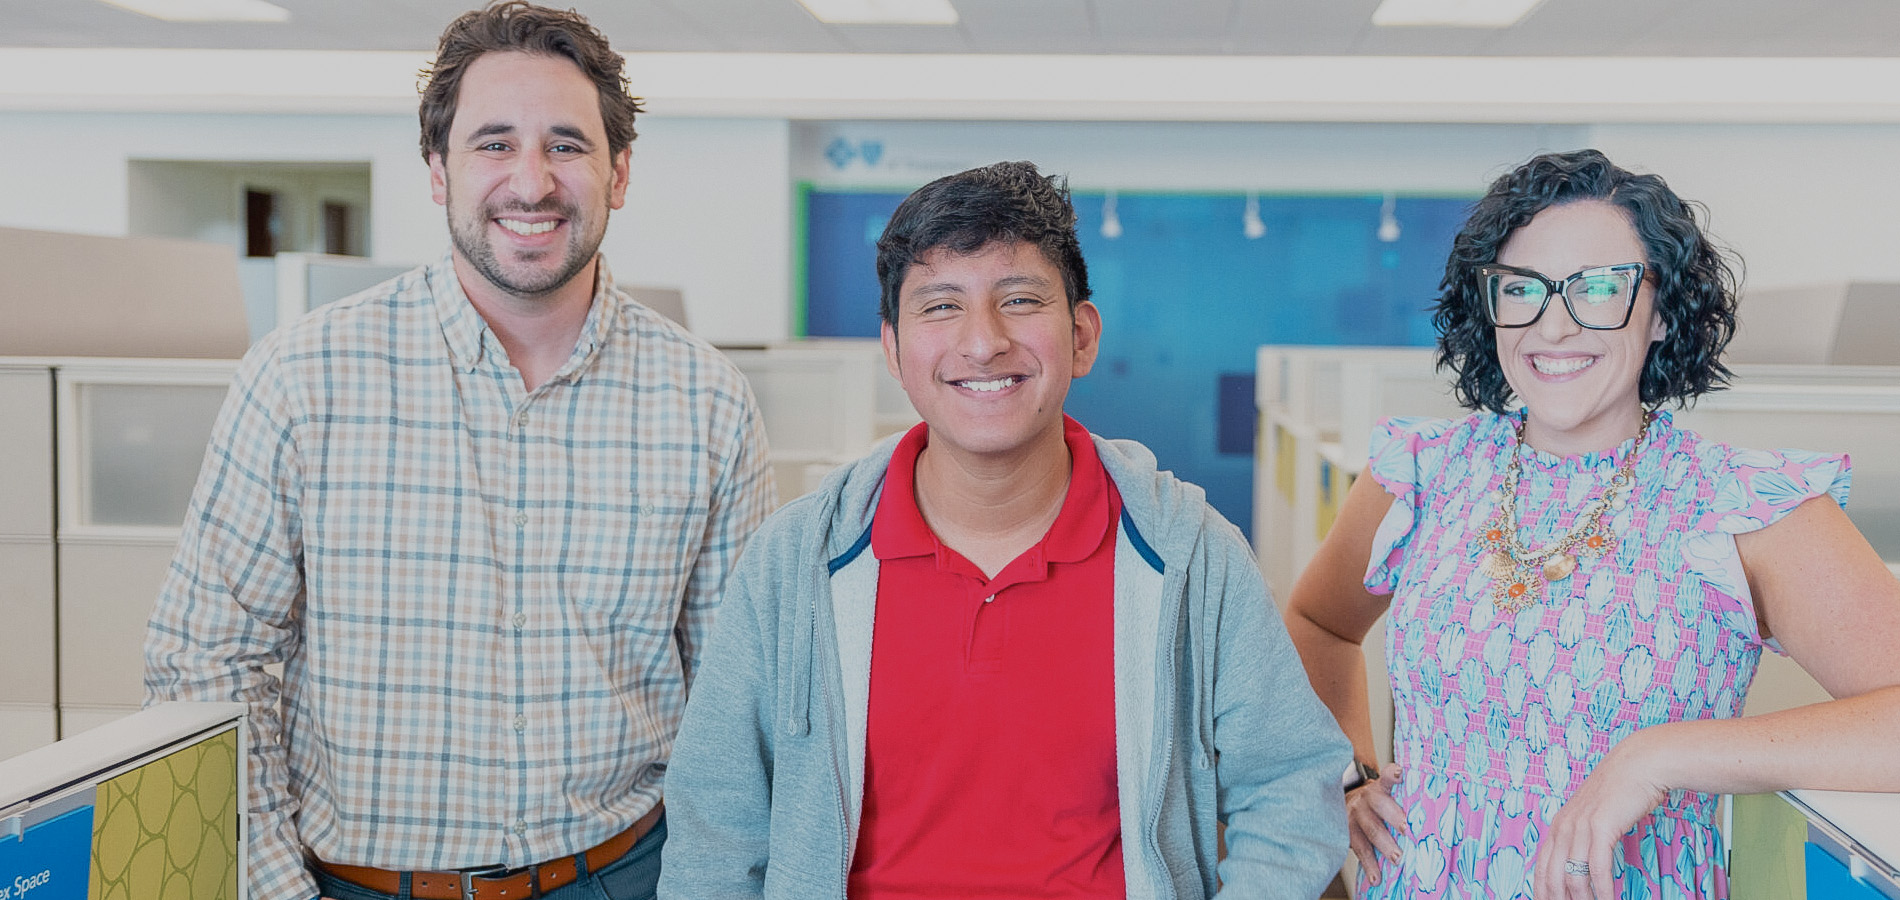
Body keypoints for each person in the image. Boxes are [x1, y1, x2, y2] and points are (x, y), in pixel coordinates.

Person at [142, 4, 776, 900]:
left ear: (619, 171)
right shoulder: (301, 378)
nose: (531, 181)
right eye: (493, 144)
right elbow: (203, 666)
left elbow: (733, 698)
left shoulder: (707, 402)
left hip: (625, 875)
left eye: (567, 144)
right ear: (437, 172)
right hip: (359, 884)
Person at [656, 161, 1351, 899]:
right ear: (892, 349)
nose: (983, 342)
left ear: (1081, 336)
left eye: (1018, 299)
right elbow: (716, 826)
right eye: (941, 306)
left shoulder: (1191, 555)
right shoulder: (795, 561)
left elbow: (1287, 790)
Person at [1284, 148, 1900, 899]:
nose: (1555, 325)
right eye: (1523, 289)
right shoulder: (1420, 474)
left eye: (1600, 288)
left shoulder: (1742, 506)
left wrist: (1663, 757)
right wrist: (1348, 775)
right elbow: (1319, 622)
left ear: (1664, 309)